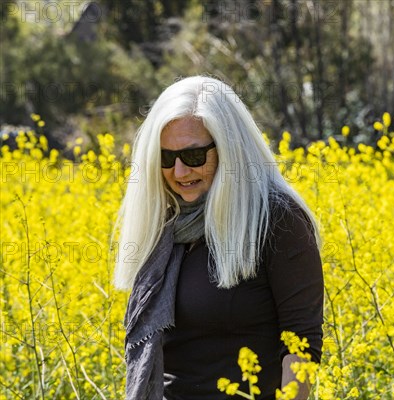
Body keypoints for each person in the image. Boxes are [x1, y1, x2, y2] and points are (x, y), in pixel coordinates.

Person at [112, 76, 324, 400]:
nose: (180, 172)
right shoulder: (165, 224)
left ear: (229, 149)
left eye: (194, 156)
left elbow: (301, 342)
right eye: (167, 158)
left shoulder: (276, 220)